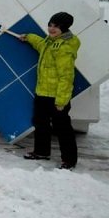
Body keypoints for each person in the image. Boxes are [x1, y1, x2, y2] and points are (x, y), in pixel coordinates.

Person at [18, 11, 80, 170]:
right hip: (42, 93)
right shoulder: (51, 41)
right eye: (50, 25)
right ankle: (41, 151)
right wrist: (29, 37)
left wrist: (61, 101)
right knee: (41, 124)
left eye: (56, 27)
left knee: (62, 129)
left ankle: (69, 160)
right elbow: (41, 45)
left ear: (64, 29)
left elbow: (66, 76)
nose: (51, 29)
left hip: (56, 97)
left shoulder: (64, 47)